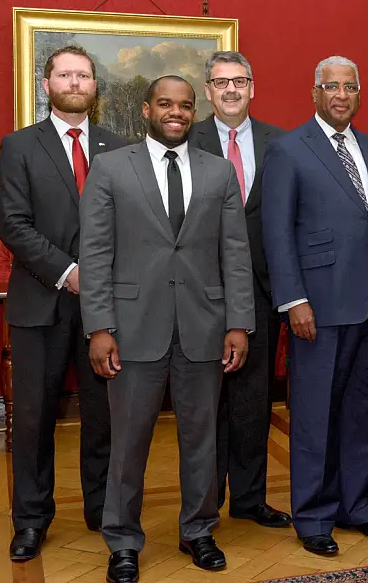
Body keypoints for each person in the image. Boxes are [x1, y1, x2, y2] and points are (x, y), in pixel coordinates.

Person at [79, 75, 254, 582]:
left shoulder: (219, 171)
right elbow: (96, 253)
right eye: (165, 104)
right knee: (128, 442)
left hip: (205, 325)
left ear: (193, 111)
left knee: (202, 439)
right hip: (132, 329)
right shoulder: (111, 168)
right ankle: (122, 540)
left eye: (184, 105)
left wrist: (239, 322)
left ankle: (198, 530)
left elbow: (235, 252)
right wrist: (99, 327)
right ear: (146, 110)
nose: (175, 112)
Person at [262, 56, 368, 557]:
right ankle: (313, 516)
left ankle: (360, 507)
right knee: (315, 414)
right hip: (319, 307)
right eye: (331, 86)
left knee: (367, 412)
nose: (341, 95)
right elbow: (277, 232)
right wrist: (294, 300)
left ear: (359, 93)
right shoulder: (288, 150)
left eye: (350, 87)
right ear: (315, 92)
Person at [0, 46, 125, 562]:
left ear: (95, 86)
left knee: (104, 415)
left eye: (84, 75)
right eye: (65, 74)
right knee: (33, 418)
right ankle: (30, 520)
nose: (75, 82)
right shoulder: (19, 146)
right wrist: (70, 273)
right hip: (40, 302)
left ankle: (103, 508)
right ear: (46, 84)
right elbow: (14, 226)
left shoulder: (120, 148)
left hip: (106, 309)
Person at [188, 51, 291, 528]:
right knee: (206, 404)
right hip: (200, 291)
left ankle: (250, 499)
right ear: (208, 91)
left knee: (253, 402)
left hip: (262, 291)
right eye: (221, 82)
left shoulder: (282, 143)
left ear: (253, 88)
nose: (231, 89)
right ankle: (204, 503)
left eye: (240, 81)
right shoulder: (186, 140)